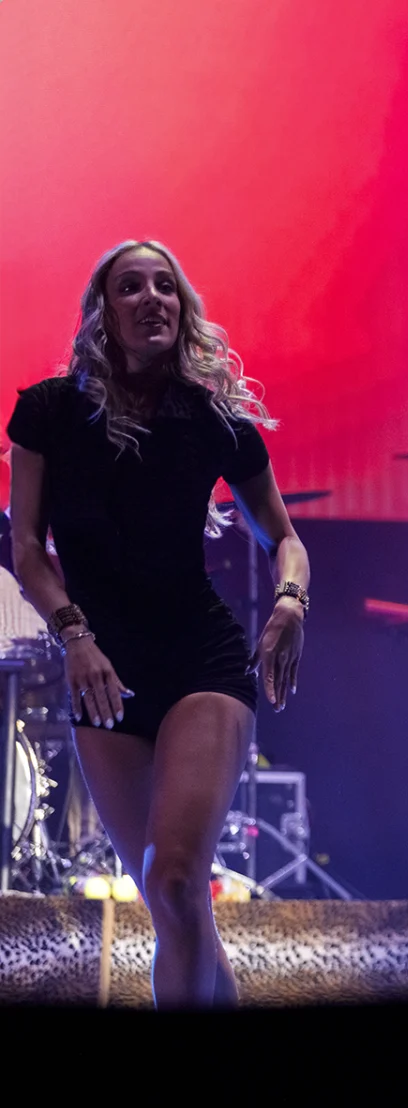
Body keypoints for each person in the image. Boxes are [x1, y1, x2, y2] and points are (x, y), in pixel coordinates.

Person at [6, 240, 309, 1006]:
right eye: (131, 286)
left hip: (200, 662)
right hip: (103, 672)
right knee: (174, 907)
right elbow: (27, 548)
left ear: (183, 308)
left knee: (175, 877)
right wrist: (75, 636)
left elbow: (286, 539)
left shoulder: (212, 421)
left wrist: (290, 600)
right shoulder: (48, 412)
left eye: (165, 286)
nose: (152, 298)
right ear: (102, 312)